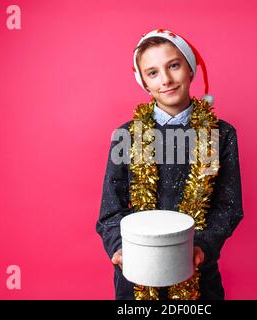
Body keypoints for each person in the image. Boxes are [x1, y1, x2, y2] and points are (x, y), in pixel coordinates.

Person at [96, 28, 244, 300]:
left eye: (173, 65)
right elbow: (110, 210)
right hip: (136, 277)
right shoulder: (127, 136)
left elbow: (228, 206)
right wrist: (120, 248)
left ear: (190, 69)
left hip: (198, 277)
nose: (165, 79)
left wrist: (201, 247)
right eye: (153, 73)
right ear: (144, 82)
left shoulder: (219, 134)